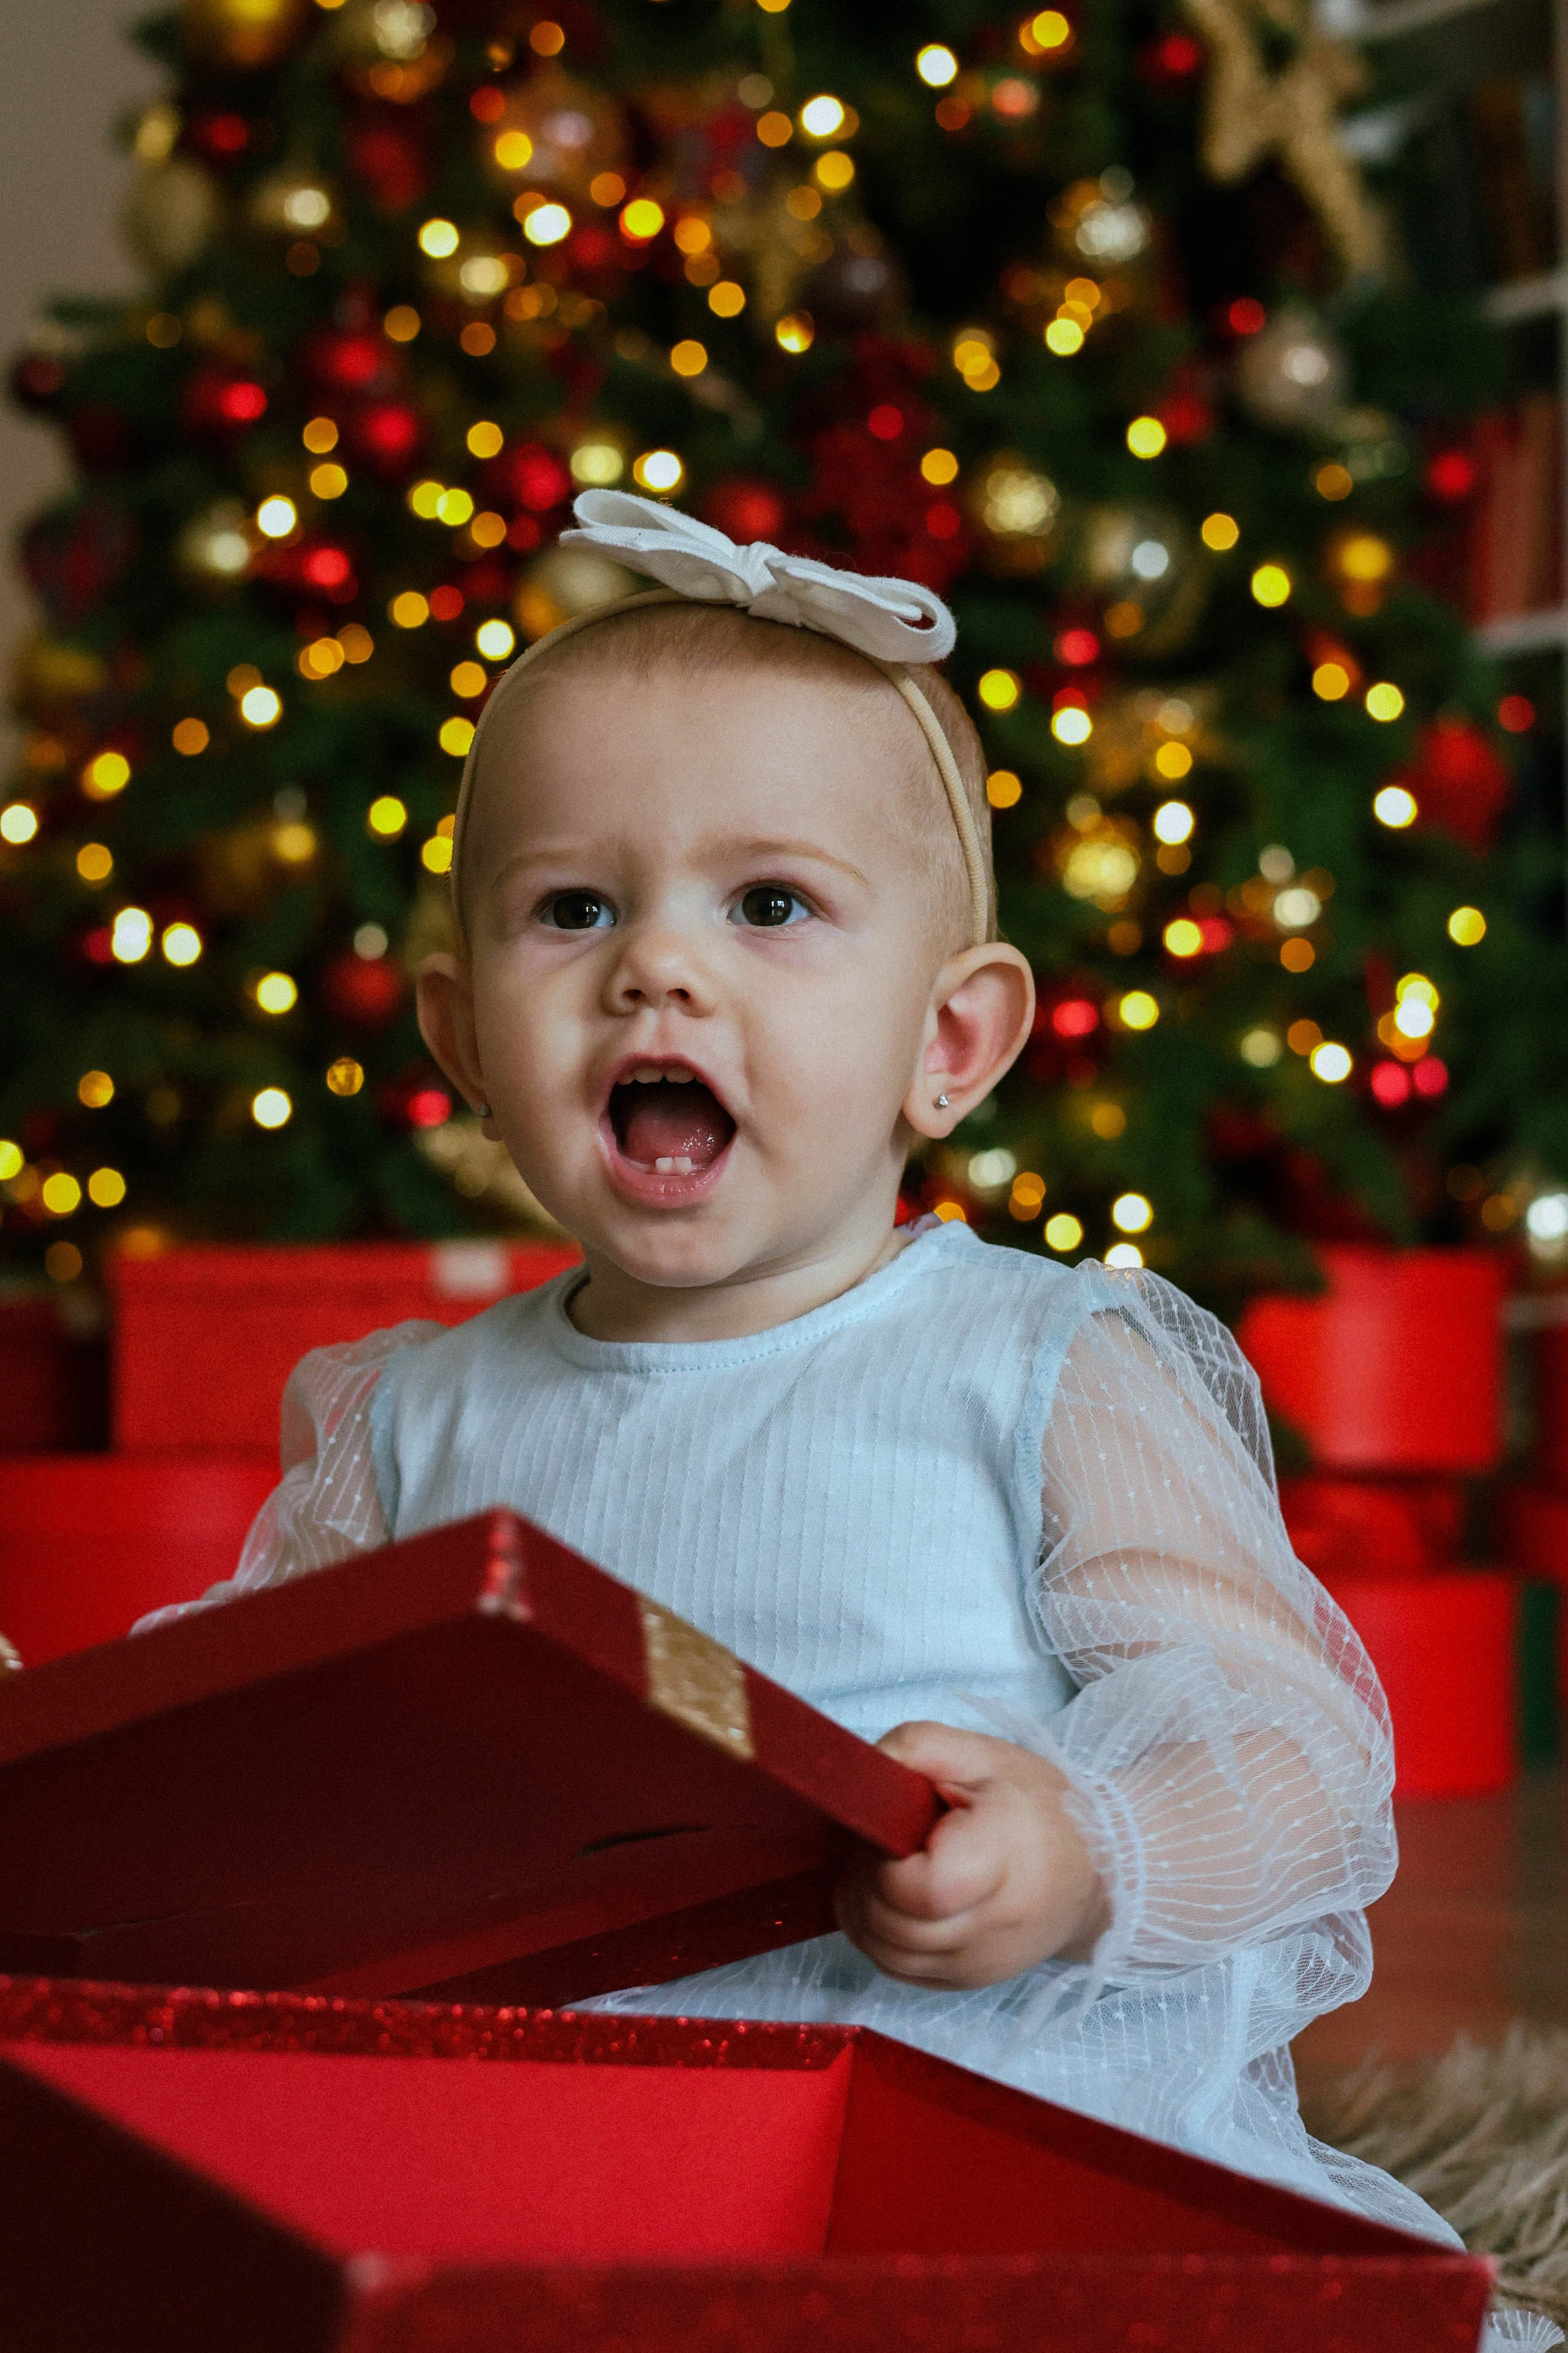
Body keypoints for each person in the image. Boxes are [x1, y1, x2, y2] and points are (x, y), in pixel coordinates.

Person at [140, 491, 1550, 2348]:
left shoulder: (1037, 1362)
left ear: (947, 1045)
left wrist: (1084, 1852)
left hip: (974, 2094)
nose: (658, 966)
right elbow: (262, 1728)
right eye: (574, 907)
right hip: (561, 2129)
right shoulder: (416, 1410)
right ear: (465, 1038)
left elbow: (1294, 1747)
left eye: (771, 903)